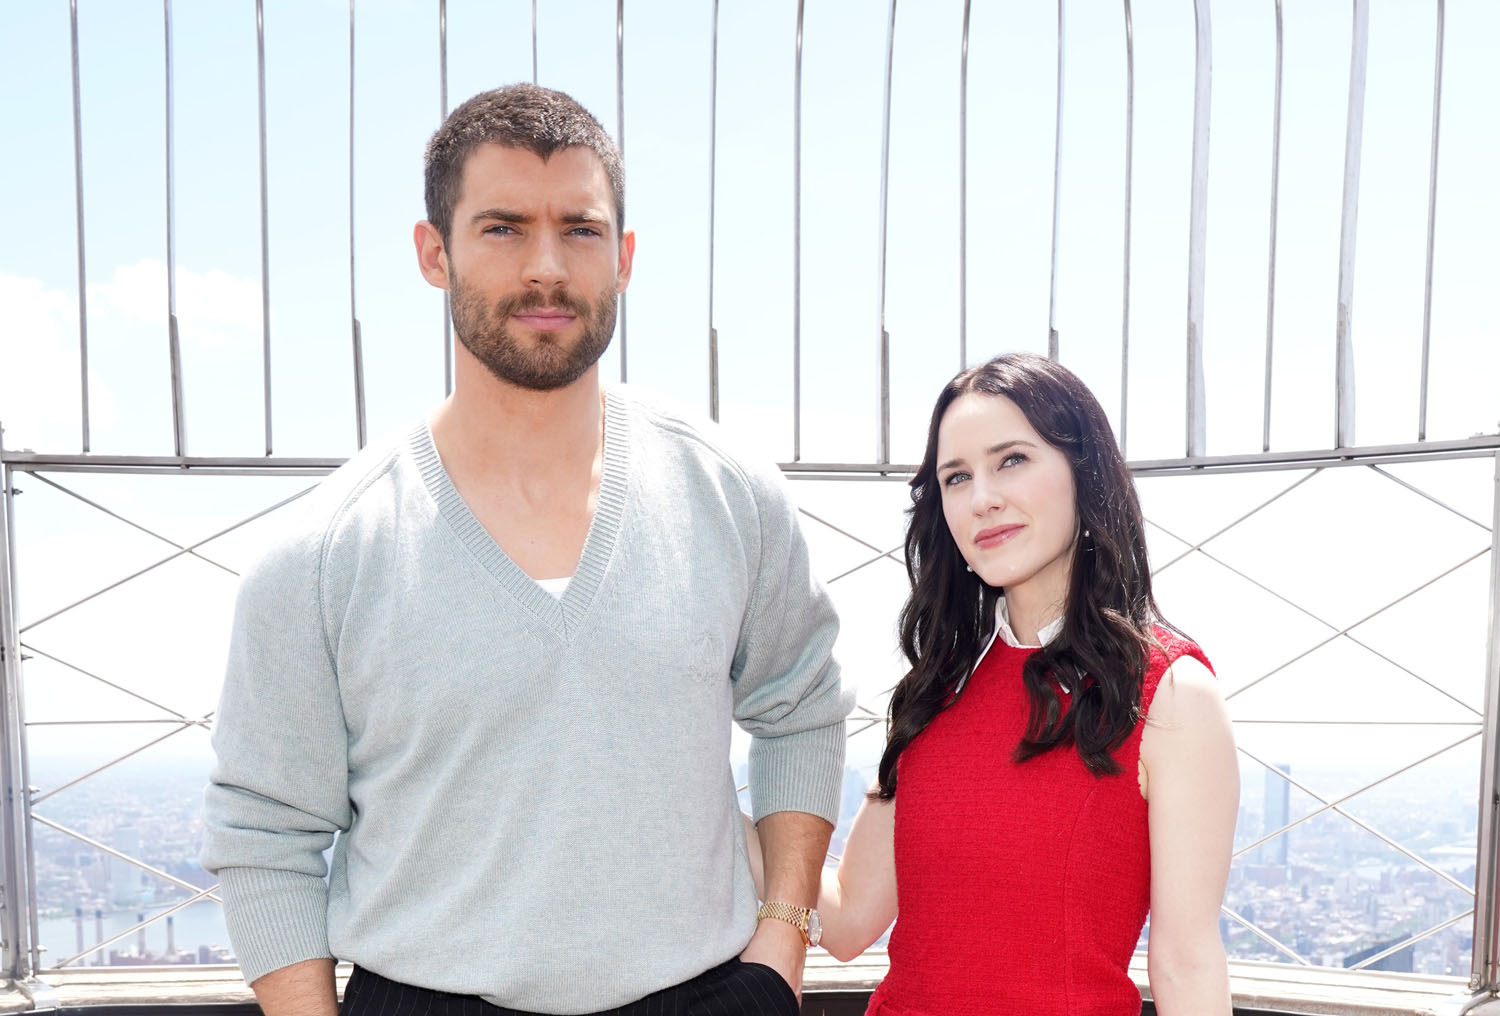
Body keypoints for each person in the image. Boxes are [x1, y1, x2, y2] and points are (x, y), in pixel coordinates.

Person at [201, 83, 852, 1016]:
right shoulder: (321, 552)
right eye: (502, 228)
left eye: (580, 230)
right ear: (435, 253)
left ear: (624, 257)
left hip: (707, 993)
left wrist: (782, 939)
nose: (546, 268)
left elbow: (799, 707)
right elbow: (265, 829)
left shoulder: (729, 493)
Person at [761, 353, 1239, 1014]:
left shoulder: (1170, 694)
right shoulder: (934, 693)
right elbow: (846, 921)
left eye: (1011, 460)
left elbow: (1186, 964)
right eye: (956, 477)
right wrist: (694, 795)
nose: (981, 498)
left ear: (1084, 472)